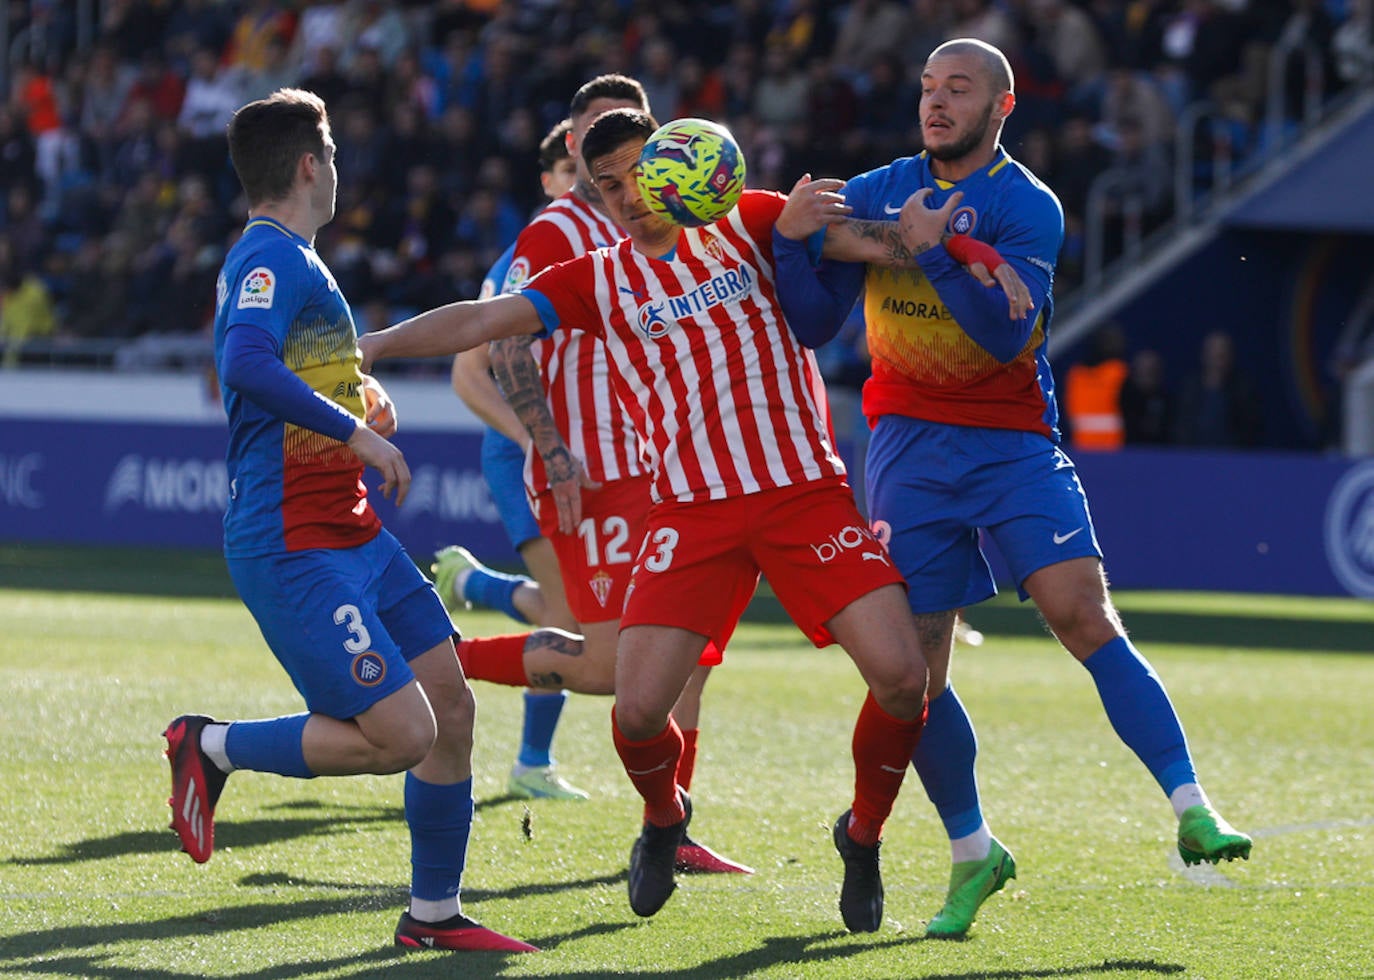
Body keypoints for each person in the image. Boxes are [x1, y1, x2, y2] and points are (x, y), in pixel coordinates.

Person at [358, 107, 1023, 932]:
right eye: (608, 185)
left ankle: (862, 836)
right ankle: (666, 818)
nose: (629, 194)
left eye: (640, 172)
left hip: (800, 493)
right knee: (635, 713)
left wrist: (975, 252)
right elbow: (483, 322)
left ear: (679, 159)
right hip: (690, 511)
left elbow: (878, 242)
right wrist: (376, 344)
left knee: (901, 679)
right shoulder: (598, 278)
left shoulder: (747, 217)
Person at [772, 37, 1252, 941]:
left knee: (1081, 611)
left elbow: (1003, 339)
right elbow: (809, 319)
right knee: (916, 674)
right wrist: (799, 243)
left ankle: (1193, 806)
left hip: (1011, 444)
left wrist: (936, 251)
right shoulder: (876, 186)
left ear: (1002, 104)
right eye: (926, 88)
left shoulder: (1030, 207)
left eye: (958, 89)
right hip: (908, 452)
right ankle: (972, 854)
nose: (935, 103)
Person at [161, 88, 534, 954]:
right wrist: (356, 430)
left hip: (356, 533)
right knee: (401, 735)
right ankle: (211, 746)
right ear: (308, 165)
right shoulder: (269, 259)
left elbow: (292, 368)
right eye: (331, 156)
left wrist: (359, 393)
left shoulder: (297, 259)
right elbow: (244, 363)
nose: (337, 169)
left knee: (450, 701)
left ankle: (432, 915)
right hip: (293, 544)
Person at [444, 76, 752, 874]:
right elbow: (502, 347)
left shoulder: (673, 221)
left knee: (694, 659)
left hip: (668, 472)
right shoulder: (555, 230)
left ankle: (672, 829)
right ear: (572, 146)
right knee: (611, 665)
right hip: (598, 473)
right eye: (587, 138)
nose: (603, 155)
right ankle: (442, 655)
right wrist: (547, 448)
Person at [441, 118, 591, 802]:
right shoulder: (523, 258)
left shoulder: (614, 246)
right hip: (532, 458)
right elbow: (470, 373)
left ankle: (476, 589)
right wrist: (536, 441)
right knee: (572, 619)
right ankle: (532, 761)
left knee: (587, 612)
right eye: (567, 174)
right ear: (547, 182)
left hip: (593, 462)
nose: (578, 188)